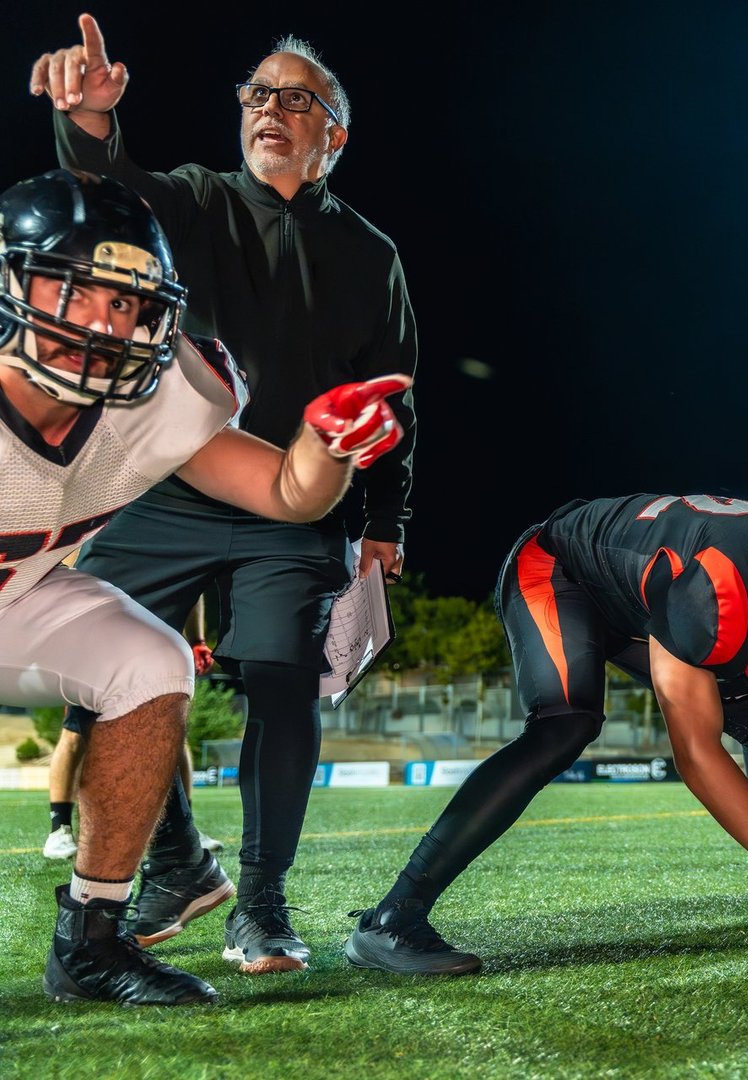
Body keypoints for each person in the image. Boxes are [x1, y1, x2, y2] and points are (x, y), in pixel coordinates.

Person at [31, 14, 418, 974]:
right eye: (257, 93)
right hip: (175, 484)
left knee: (281, 682)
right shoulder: (196, 201)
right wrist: (87, 125)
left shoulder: (373, 256)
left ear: (336, 134)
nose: (270, 110)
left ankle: (262, 905)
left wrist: (383, 525)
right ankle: (177, 862)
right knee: (100, 658)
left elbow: (396, 395)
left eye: (297, 98)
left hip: (299, 504)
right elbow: (109, 194)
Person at [343, 494, 748, 975]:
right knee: (565, 723)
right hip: (560, 566)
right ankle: (394, 915)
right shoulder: (718, 590)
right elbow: (697, 756)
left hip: (648, 597)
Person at [43, 599, 225, 861]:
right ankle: (58, 830)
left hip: (158, 642)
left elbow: (194, 590)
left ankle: (183, 829)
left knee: (172, 732)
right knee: (75, 731)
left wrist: (196, 639)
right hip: (99, 639)